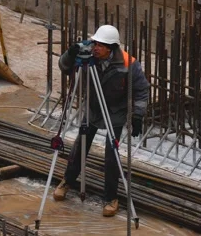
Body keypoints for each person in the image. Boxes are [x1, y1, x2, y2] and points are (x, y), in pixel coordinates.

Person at [53, 25, 149, 217]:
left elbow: (142, 91)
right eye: (95, 43)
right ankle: (67, 181)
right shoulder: (87, 57)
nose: (96, 47)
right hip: (93, 107)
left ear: (111, 47)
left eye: (101, 45)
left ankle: (111, 197)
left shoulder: (128, 64)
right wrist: (69, 55)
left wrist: (138, 115)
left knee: (110, 154)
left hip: (115, 112)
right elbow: (64, 68)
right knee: (80, 146)